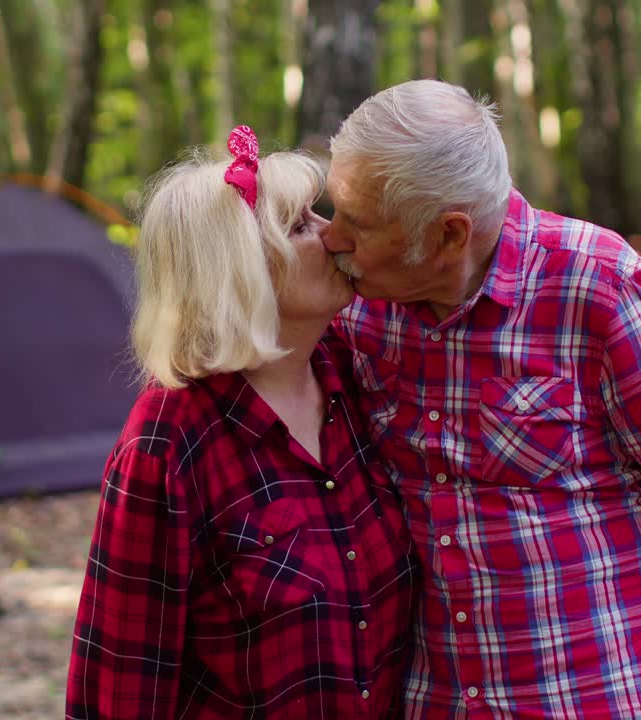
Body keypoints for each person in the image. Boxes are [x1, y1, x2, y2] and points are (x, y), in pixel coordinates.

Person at [322, 80, 641, 720]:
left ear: (448, 235)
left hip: (594, 697)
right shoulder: (358, 310)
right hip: (429, 699)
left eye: (357, 225)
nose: (334, 238)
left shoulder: (599, 287)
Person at [65, 127, 420, 719]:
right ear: (242, 270)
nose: (333, 233)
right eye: (302, 225)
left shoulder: (354, 376)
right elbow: (119, 688)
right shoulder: (167, 446)